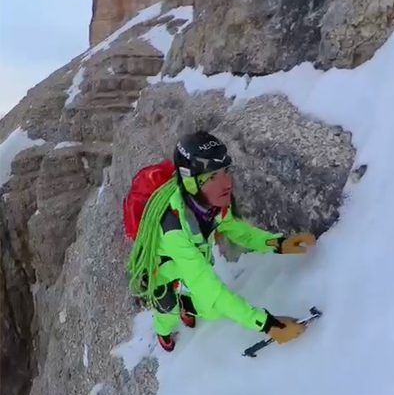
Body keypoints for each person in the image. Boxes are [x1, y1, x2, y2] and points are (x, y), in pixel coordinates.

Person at [127, 130, 316, 352]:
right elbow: (211, 289)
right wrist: (267, 324)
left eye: (226, 171)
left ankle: (185, 307)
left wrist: (277, 243)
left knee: (211, 308)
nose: (226, 182)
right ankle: (163, 333)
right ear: (189, 182)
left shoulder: (208, 207)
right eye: (212, 177)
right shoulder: (174, 231)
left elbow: (239, 232)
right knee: (167, 311)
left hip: (188, 264)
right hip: (162, 274)